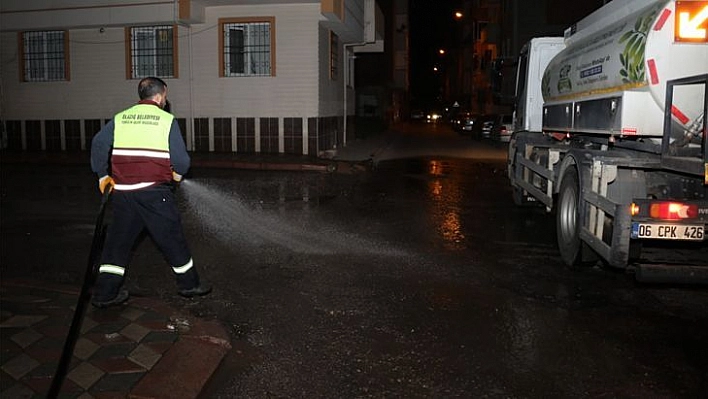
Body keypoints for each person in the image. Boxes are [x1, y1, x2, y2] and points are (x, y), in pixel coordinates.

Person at [90, 77, 211, 308]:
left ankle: (105, 294)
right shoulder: (166, 120)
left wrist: (103, 175)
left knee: (117, 244)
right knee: (171, 238)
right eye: (165, 96)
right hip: (155, 194)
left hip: (124, 194)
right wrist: (177, 176)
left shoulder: (121, 117)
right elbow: (182, 161)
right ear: (161, 94)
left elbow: (98, 143)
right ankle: (189, 285)